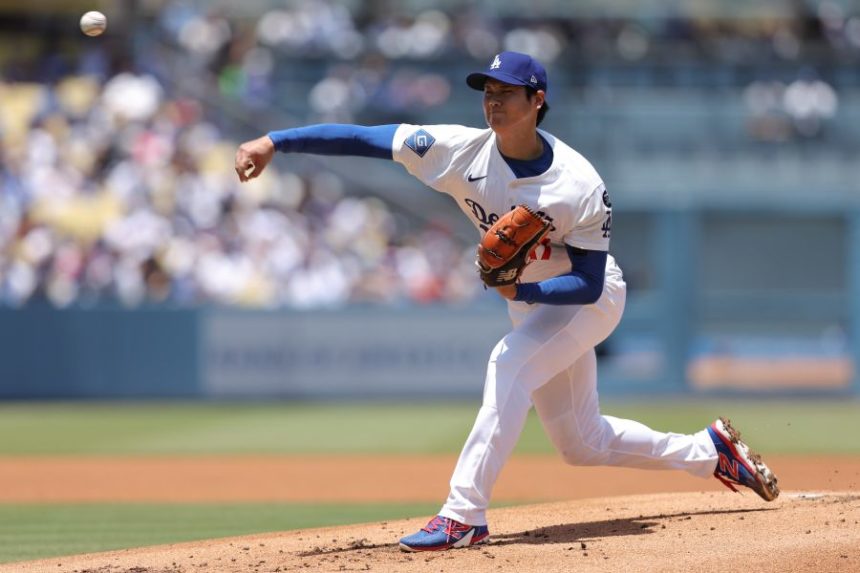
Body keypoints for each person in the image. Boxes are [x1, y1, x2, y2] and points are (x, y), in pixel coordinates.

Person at [234, 51, 779, 552]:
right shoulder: (457, 151)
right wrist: (276, 142)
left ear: (537, 100)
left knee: (508, 362)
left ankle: (463, 514)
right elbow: (363, 138)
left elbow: (589, 281)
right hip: (532, 305)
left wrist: (525, 290)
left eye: (507, 91)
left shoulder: (578, 184)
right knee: (580, 443)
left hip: (585, 300)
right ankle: (710, 452)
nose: (493, 101)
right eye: (487, 90)